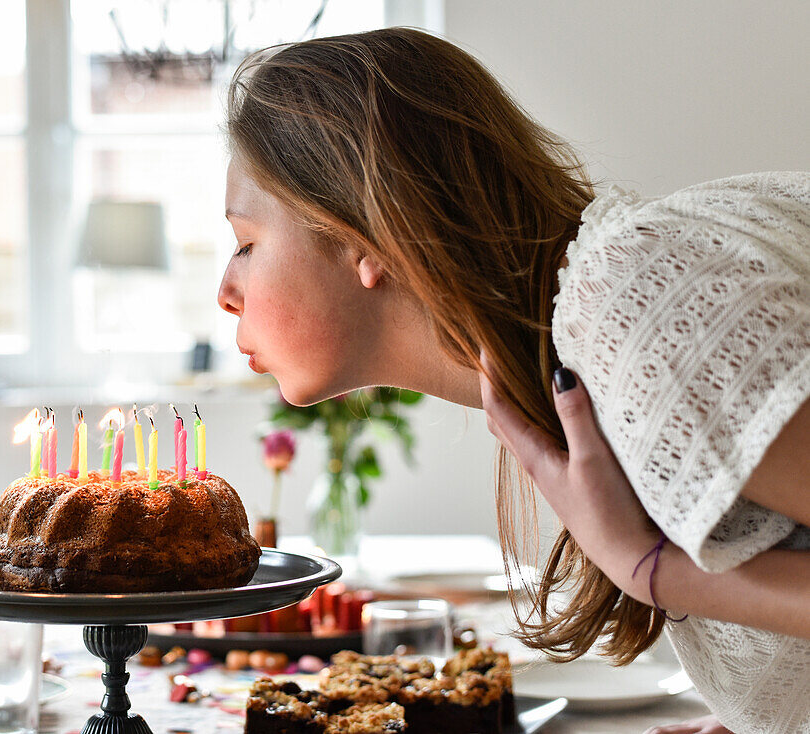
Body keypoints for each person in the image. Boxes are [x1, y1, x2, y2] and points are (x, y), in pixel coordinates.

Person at [216, 27, 810, 734]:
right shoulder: (588, 338)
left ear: (357, 236)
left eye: (247, 243)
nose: (226, 289)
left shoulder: (637, 303)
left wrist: (650, 570)